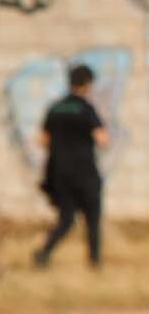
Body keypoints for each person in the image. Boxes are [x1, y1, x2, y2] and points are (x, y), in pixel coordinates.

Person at [37, 60, 109, 268]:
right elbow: (102, 139)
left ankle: (43, 253)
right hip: (85, 173)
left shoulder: (55, 108)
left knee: (66, 219)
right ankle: (95, 263)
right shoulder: (86, 109)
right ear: (87, 84)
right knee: (92, 220)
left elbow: (43, 140)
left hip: (60, 173)